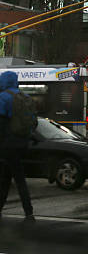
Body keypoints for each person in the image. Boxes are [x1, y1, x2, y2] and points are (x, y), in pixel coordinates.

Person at [0, 71, 35, 221]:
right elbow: (34, 122)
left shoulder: (3, 98)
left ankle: (29, 213)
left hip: (7, 145)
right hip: (22, 143)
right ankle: (28, 212)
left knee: (13, 178)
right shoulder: (25, 97)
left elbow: (1, 124)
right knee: (9, 177)